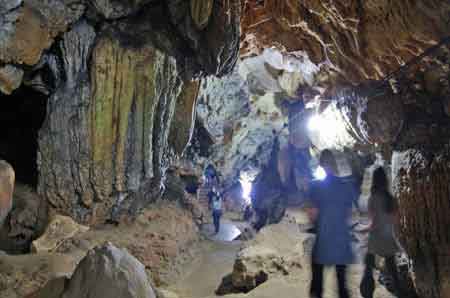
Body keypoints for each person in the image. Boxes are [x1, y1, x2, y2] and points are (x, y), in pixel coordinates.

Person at [307, 149, 359, 298]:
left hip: (323, 239)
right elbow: (352, 213)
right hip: (341, 241)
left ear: (322, 165)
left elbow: (312, 214)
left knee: (317, 283)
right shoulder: (346, 186)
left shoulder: (316, 187)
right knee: (342, 284)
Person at [360, 167, 402, 298]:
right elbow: (395, 220)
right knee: (393, 270)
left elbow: (374, 222)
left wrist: (365, 229)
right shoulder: (391, 199)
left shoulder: (373, 198)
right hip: (388, 237)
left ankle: (367, 294)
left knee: (368, 269)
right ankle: (400, 292)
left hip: (376, 238)